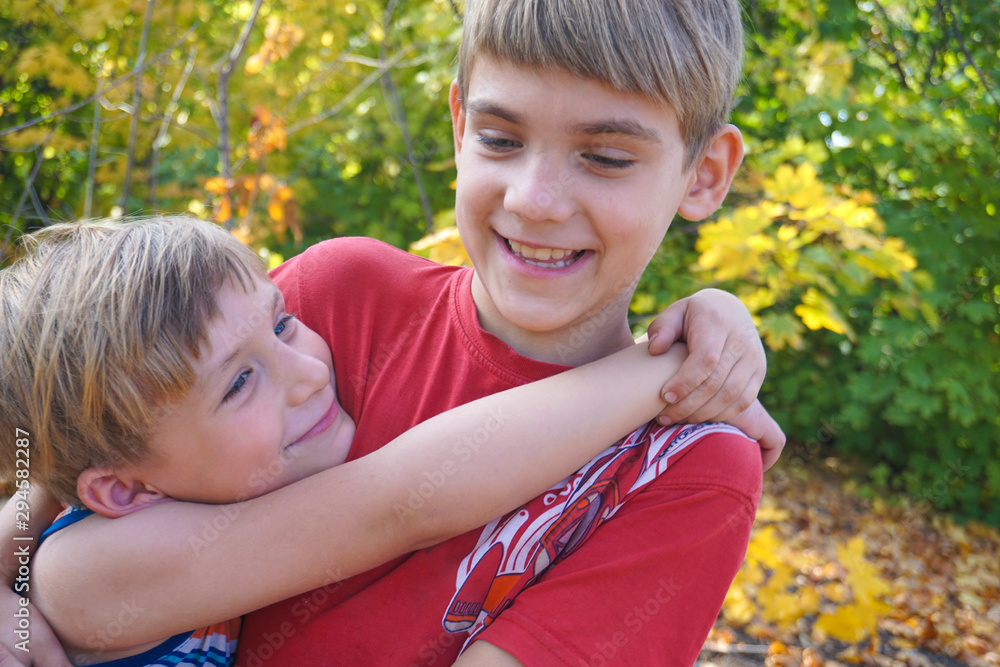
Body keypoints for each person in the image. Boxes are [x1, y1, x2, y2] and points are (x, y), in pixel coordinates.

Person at [232, 0, 777, 664]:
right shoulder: (326, 307)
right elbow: (105, 475)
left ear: (706, 174)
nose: (532, 199)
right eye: (500, 139)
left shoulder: (686, 464)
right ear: (460, 125)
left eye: (605, 157)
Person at [0, 216, 756, 667]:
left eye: (284, 320)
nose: (303, 372)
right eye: (239, 383)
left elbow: (62, 454)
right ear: (123, 489)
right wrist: (678, 369)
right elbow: (399, 501)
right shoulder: (87, 573)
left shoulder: (106, 518)